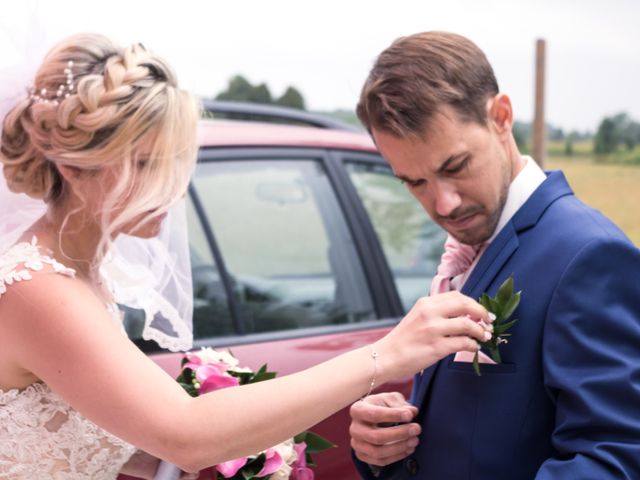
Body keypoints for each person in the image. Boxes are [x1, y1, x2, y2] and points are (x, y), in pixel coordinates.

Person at [0, 33, 494, 479]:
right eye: (146, 164)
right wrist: (386, 352)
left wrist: (237, 459)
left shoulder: (85, 277)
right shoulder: (37, 289)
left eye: (176, 160)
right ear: (73, 166)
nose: (172, 187)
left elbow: (72, 436)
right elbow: (186, 432)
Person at [349, 31, 640, 479]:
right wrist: (386, 442)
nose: (443, 204)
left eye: (455, 167)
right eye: (414, 182)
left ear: (500, 117)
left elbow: (614, 455)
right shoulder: (469, 245)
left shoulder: (588, 255)